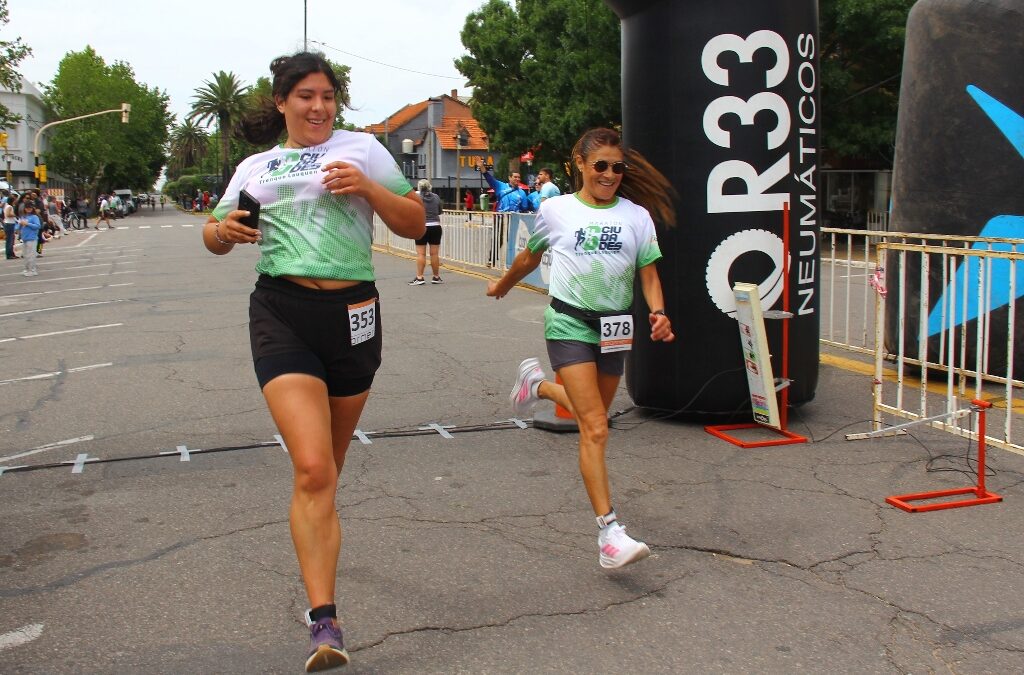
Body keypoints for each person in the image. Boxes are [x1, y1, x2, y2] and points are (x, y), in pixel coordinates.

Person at [202, 51, 425, 673]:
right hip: (283, 312)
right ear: (281, 102)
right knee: (312, 467)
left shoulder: (364, 149)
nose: (318, 106)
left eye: (327, 95)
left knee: (328, 472)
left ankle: (319, 554)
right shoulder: (258, 164)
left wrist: (371, 189)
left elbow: (416, 224)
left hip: (354, 316)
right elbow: (215, 230)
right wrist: (225, 233)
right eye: (304, 96)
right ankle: (324, 622)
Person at [486, 127, 677, 570]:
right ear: (580, 167)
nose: (610, 174)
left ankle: (538, 386)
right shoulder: (556, 210)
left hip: (615, 327)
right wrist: (502, 286)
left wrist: (659, 312)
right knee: (594, 427)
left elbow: (648, 272)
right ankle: (609, 534)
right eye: (601, 166)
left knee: (591, 415)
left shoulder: (637, 216)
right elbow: (529, 258)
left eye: (617, 167)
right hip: (568, 321)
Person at [409, 179, 444, 285]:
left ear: (419, 187)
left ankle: (420, 277)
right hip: (435, 227)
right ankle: (436, 277)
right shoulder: (436, 197)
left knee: (421, 254)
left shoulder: (416, 197)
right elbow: (439, 211)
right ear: (430, 187)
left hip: (422, 227)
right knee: (434, 254)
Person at [17, 201, 41, 276]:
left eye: (30, 207)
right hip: (24, 238)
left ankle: (32, 270)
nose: (28, 209)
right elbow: (18, 228)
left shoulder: (34, 217)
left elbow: (37, 226)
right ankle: (26, 269)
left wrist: (27, 224)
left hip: (32, 238)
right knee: (25, 255)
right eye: (27, 208)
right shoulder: (23, 217)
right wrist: (19, 225)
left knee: (31, 255)